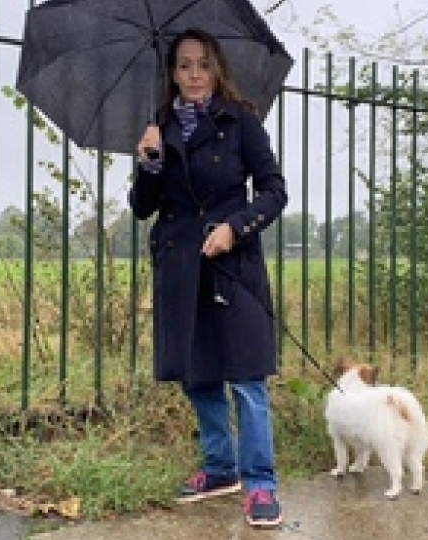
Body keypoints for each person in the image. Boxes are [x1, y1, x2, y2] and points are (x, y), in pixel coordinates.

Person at [127, 28, 288, 528]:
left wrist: (234, 229)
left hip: (230, 264)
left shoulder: (240, 121)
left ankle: (260, 482)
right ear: (171, 73)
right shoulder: (159, 127)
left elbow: (274, 191)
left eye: (202, 64)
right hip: (180, 265)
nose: (193, 74)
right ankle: (221, 469)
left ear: (216, 69)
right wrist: (150, 163)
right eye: (183, 66)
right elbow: (141, 209)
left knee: (245, 376)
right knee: (198, 378)